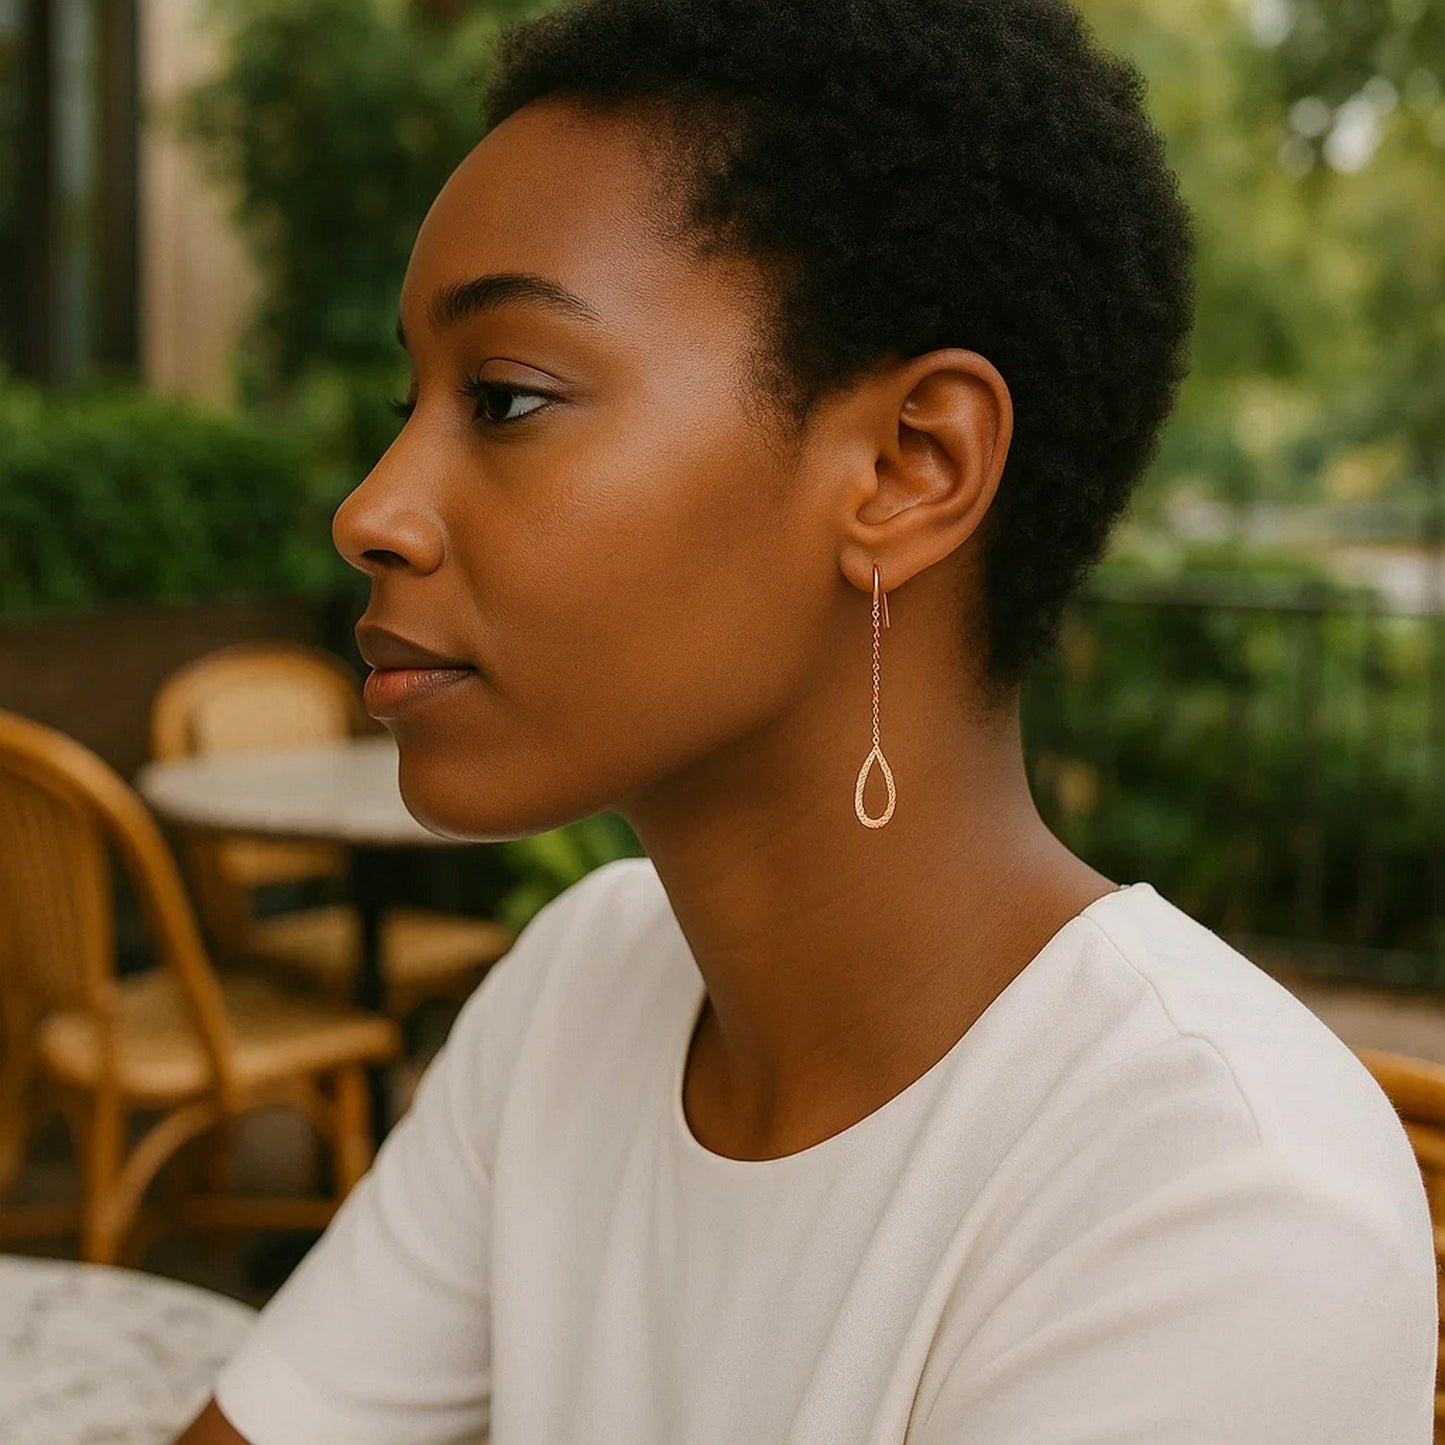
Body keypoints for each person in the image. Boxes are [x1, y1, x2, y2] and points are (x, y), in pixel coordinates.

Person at [177, 0, 1438, 1440]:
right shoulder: (576, 987)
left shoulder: (1214, 1193)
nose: (370, 511)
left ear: (907, 467)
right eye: (412, 405)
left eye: (508, 398)